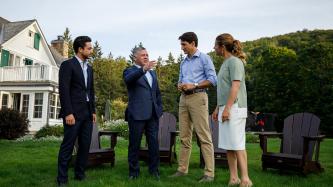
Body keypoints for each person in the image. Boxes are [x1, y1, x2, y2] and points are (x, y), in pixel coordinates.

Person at [169, 32, 217, 183]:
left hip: (199, 97)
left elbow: (213, 80)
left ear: (193, 43)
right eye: (181, 44)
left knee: (203, 136)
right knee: (184, 137)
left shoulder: (204, 58)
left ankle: (209, 174)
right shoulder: (183, 62)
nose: (182, 48)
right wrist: (180, 85)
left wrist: (194, 85)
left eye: (184, 44)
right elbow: (180, 79)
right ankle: (182, 170)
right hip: (184, 99)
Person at [212, 33, 253, 187]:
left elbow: (235, 87)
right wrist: (218, 108)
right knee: (229, 145)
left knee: (237, 144)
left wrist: (227, 108)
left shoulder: (235, 62)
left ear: (222, 47)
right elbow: (224, 89)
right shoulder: (225, 63)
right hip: (226, 107)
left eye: (215, 45)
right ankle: (234, 178)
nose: (214, 48)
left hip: (235, 107)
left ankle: (246, 179)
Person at [57, 36, 96, 186]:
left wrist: (93, 111)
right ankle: (62, 179)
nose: (91, 50)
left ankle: (80, 174)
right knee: (68, 145)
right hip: (73, 113)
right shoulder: (68, 65)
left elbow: (90, 91)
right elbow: (64, 90)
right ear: (80, 49)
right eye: (89, 48)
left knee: (85, 145)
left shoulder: (89, 68)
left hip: (87, 113)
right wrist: (68, 112)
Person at [123, 47, 163, 180]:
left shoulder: (153, 73)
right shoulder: (129, 70)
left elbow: (156, 92)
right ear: (135, 57)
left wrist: (159, 108)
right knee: (134, 144)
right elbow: (129, 80)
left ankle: (154, 171)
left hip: (152, 114)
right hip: (137, 114)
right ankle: (133, 172)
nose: (146, 57)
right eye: (143, 55)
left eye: (147, 55)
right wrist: (143, 69)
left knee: (153, 143)